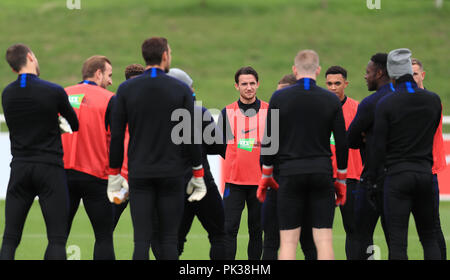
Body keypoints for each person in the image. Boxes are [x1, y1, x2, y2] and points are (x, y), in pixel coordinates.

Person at [108, 37, 206, 260]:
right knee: (169, 240)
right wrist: (198, 174)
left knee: (141, 240)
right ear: (165, 56)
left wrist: (114, 174)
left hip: (139, 173)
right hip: (171, 174)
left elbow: (116, 136)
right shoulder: (180, 89)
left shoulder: (125, 89)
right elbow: (189, 135)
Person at [259, 49, 348, 260]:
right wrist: (341, 179)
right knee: (324, 240)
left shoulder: (280, 97)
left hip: (290, 173)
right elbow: (342, 142)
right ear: (318, 70)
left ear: (294, 70)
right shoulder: (331, 99)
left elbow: (269, 141)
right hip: (321, 172)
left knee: (288, 242)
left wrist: (266, 174)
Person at [0, 43, 79, 259]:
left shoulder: (7, 94)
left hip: (20, 168)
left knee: (10, 237)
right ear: (30, 57)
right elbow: (74, 124)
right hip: (49, 168)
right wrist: (57, 123)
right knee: (56, 238)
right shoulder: (53, 91)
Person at [369, 48, 441, 260]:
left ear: (391, 73)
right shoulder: (433, 100)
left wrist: (373, 181)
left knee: (398, 240)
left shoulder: (386, 103)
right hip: (425, 174)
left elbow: (378, 147)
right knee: (429, 237)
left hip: (398, 175)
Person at [61, 55, 121, 260]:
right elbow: (117, 140)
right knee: (104, 237)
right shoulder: (110, 99)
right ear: (98, 73)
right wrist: (117, 174)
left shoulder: (61, 94)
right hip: (96, 176)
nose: (111, 81)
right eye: (109, 75)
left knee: (57, 239)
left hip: (63, 175)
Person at [167, 68, 226, 260]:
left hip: (173, 184)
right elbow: (218, 145)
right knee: (219, 235)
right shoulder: (199, 112)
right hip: (201, 180)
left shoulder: (159, 116)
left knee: (174, 240)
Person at [260, 73, 316, 260]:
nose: (277, 98)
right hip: (305, 186)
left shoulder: (276, 121)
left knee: (276, 242)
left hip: (280, 185)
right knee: (305, 243)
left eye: (281, 93)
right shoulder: (312, 120)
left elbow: (265, 154)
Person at [218, 66, 268, 260]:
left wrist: (244, 147)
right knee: (229, 229)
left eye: (252, 83)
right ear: (236, 86)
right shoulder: (227, 112)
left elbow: (276, 145)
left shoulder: (269, 110)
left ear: (258, 84)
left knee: (257, 231)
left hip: (261, 182)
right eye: (244, 84)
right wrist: (237, 157)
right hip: (234, 182)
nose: (249, 87)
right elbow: (219, 145)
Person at [347, 53, 392, 259]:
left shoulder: (370, 102)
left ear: (379, 72)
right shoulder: (407, 99)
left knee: (361, 233)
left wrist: (369, 136)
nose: (365, 76)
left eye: (368, 72)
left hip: (373, 178)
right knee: (397, 236)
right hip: (399, 177)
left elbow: (351, 139)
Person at [325, 66, 363, 259]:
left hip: (350, 177)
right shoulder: (319, 108)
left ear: (345, 84)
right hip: (323, 178)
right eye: (329, 83)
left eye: (337, 83)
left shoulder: (357, 108)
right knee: (320, 231)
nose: (333, 87)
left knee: (353, 229)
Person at [411, 58, 447, 259]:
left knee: (432, 226)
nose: (412, 77)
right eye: (409, 73)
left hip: (428, 169)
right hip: (412, 170)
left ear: (422, 75)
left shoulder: (431, 101)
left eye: (415, 73)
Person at [112, 63, 145, 230]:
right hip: (122, 178)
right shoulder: (116, 106)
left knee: (150, 235)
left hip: (145, 177)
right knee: (105, 231)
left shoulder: (153, 108)